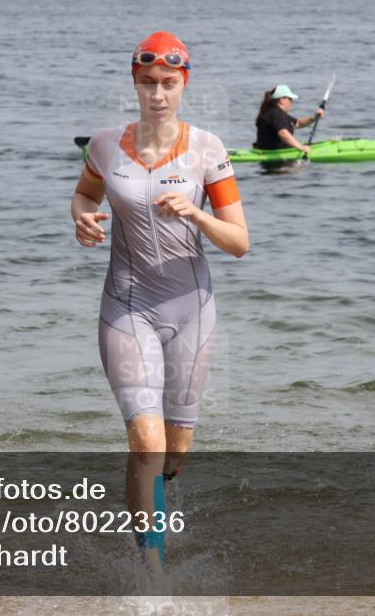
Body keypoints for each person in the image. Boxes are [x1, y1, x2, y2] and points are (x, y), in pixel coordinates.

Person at [71, 31, 249, 572]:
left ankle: (156, 501)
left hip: (191, 309)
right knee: (145, 440)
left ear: (183, 84)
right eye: (148, 82)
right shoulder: (104, 146)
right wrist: (81, 218)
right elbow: (85, 194)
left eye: (168, 83)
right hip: (126, 306)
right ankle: (150, 571)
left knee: (174, 450)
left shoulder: (208, 149)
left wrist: (197, 214)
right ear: (134, 82)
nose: (158, 94)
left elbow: (239, 242)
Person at [254, 84, 325, 154]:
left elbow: (298, 123)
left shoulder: (278, 113)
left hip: (279, 151)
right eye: (290, 99)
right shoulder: (276, 114)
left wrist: (314, 118)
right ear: (281, 99)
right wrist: (301, 147)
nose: (292, 101)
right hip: (273, 154)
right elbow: (283, 133)